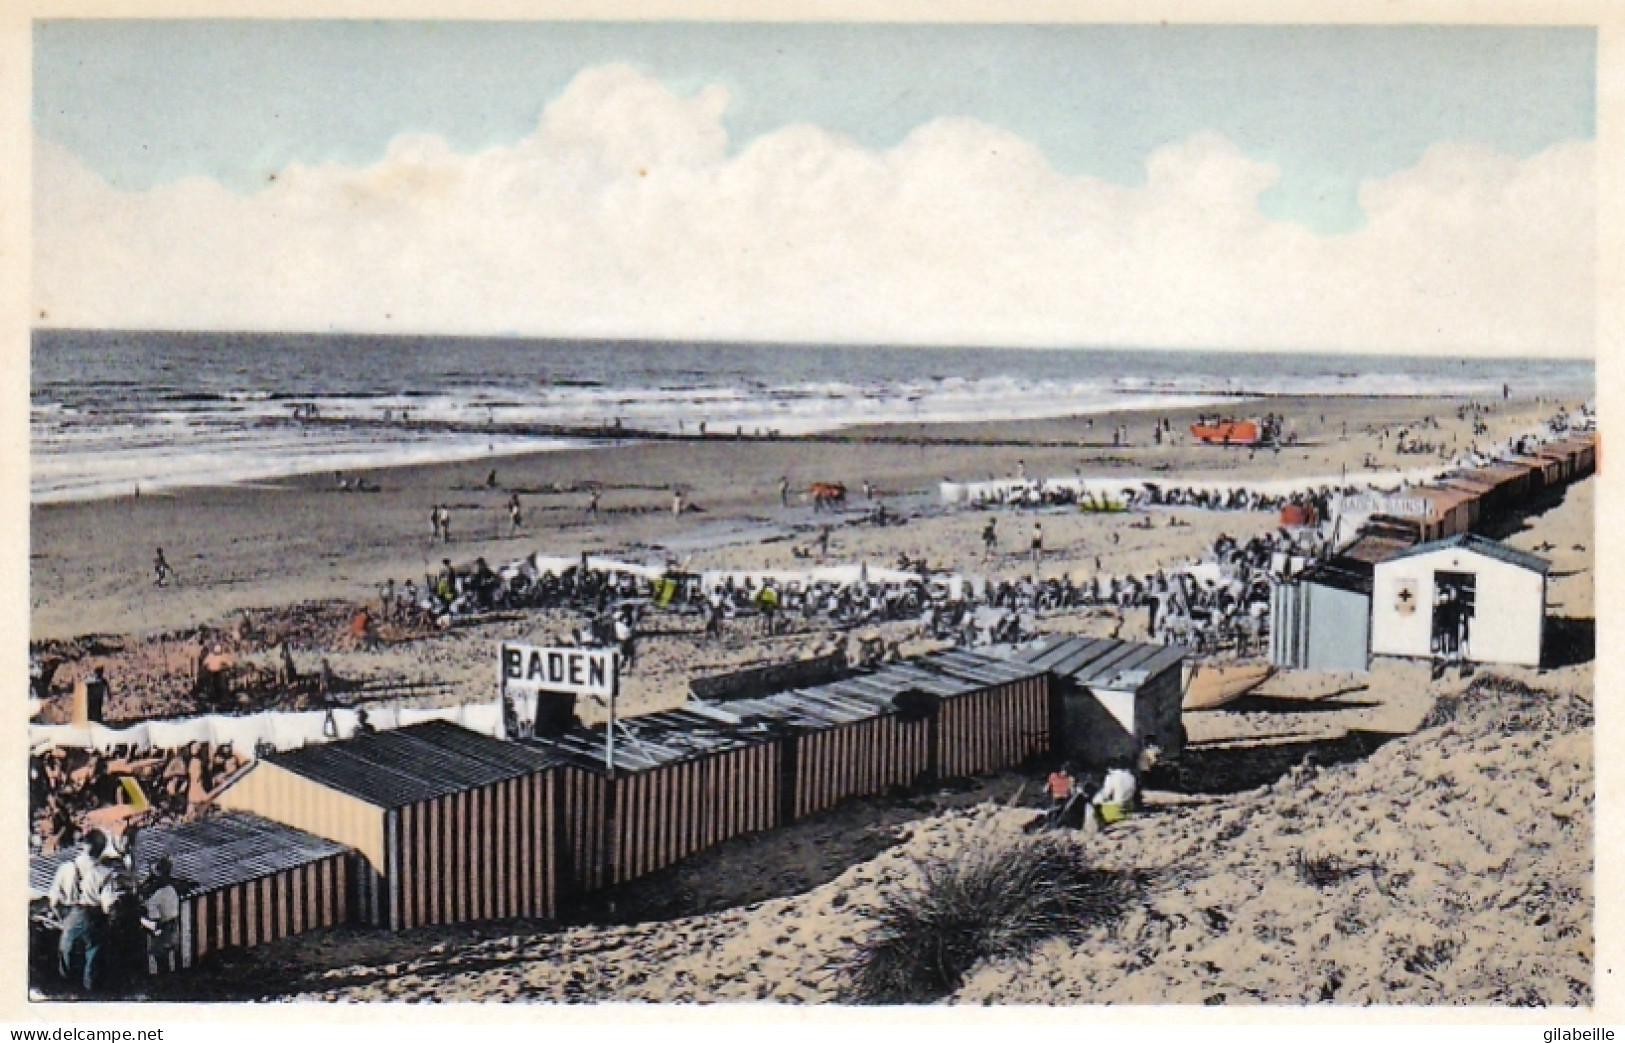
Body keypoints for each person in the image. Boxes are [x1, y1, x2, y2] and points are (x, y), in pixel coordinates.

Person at [49, 830, 120, 991]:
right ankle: (90, 991)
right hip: (94, 918)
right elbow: (108, 904)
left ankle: (65, 991)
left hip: (70, 916)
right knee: (93, 955)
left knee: (67, 953)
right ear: (101, 849)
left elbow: (53, 900)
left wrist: (62, 919)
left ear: (83, 845)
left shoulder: (65, 868)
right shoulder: (105, 872)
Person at [140, 857, 181, 975]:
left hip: (161, 931)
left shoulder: (155, 898)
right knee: (168, 960)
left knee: (160, 961)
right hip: (173, 927)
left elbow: (155, 924)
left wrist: (141, 920)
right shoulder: (171, 890)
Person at [1091, 764, 1139, 830]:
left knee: (1095, 802)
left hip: (1116, 810)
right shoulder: (1131, 776)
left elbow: (1106, 793)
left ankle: (1102, 827)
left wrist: (1096, 797)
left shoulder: (1111, 777)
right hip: (1128, 808)